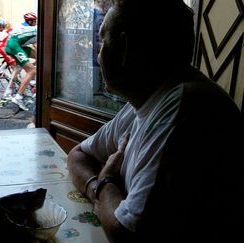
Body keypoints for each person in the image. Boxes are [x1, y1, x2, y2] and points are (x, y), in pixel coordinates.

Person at [67, 0, 244, 243]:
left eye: (101, 43)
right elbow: (77, 154)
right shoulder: (146, 100)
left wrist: (107, 180)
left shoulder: (186, 107)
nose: (98, 55)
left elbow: (124, 233)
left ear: (125, 48)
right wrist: (96, 188)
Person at [6, 24, 37, 111]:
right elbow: (36, 46)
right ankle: (18, 96)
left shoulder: (37, 28)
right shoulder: (43, 31)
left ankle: (12, 88)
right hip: (14, 45)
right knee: (32, 71)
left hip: (16, 44)